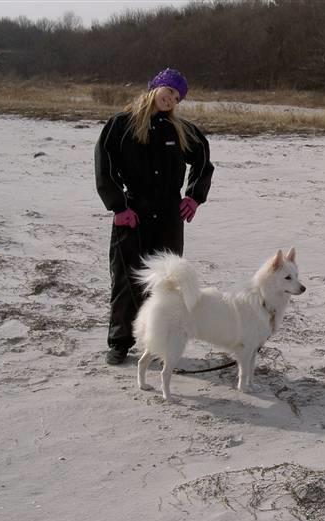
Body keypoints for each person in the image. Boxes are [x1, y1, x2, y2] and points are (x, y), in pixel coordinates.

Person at [95, 68, 214, 365]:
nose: (171, 99)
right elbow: (104, 165)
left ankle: (160, 344)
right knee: (126, 280)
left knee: (167, 283)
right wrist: (118, 207)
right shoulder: (121, 124)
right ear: (155, 87)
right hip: (132, 213)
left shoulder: (181, 130)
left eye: (177, 97)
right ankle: (120, 343)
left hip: (169, 217)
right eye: (169, 91)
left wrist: (194, 197)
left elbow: (203, 162)